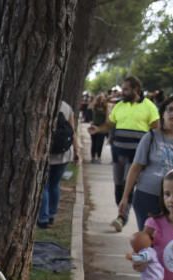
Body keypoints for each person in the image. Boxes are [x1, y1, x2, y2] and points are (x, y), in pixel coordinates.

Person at [117, 95, 173, 232]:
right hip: (147, 195)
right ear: (163, 113)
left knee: (169, 241)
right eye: (170, 109)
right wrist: (125, 197)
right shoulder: (151, 136)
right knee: (147, 241)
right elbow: (135, 167)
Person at [89, 75, 160, 228]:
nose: (123, 92)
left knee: (128, 185)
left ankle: (122, 217)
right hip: (118, 154)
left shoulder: (149, 106)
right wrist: (98, 129)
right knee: (118, 187)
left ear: (136, 90)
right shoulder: (119, 106)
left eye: (126, 89)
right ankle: (121, 210)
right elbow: (109, 124)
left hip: (136, 157)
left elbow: (156, 129)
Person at [38, 99, 81, 228]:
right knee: (54, 185)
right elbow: (73, 131)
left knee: (43, 186)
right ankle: (51, 215)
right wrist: (77, 151)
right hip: (63, 154)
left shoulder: (42, 102)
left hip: (45, 153)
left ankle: (43, 219)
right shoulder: (66, 107)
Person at [90, 94, 109, 162]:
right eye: (101, 98)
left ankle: (98, 157)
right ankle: (92, 157)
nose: (102, 100)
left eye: (103, 98)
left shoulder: (105, 107)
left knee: (100, 143)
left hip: (102, 127)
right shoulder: (95, 106)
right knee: (94, 142)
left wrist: (106, 125)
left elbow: (107, 117)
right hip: (94, 125)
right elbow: (91, 109)